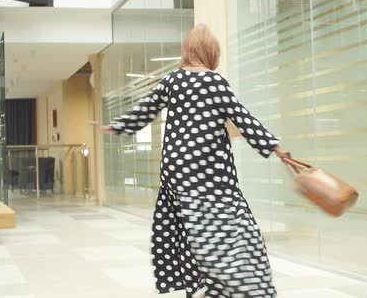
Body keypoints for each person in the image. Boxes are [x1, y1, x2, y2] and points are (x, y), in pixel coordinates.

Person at [101, 24, 287, 298]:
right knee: (232, 227)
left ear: (188, 51)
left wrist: (118, 125)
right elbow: (242, 117)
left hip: (175, 170)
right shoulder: (215, 81)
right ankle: (236, 284)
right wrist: (274, 146)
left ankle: (198, 284)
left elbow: (147, 107)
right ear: (211, 52)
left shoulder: (172, 80)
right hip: (208, 170)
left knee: (189, 226)